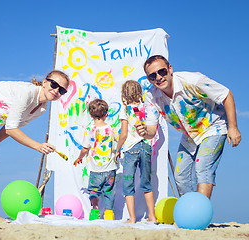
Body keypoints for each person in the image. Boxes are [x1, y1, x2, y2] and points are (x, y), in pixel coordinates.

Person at [0, 70, 70, 221]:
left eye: (61, 90)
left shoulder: (41, 109)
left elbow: (8, 128)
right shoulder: (27, 94)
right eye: (54, 84)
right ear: (44, 82)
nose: (56, 90)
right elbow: (11, 129)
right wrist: (38, 146)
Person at [136, 55, 241, 199]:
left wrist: (233, 127)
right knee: (180, 176)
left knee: (203, 168)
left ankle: (198, 217)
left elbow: (226, 94)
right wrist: (144, 132)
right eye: (153, 76)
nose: (159, 77)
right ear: (149, 79)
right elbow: (151, 131)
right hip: (190, 133)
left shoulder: (193, 81)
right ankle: (189, 213)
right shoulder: (151, 97)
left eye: (162, 71)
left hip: (213, 126)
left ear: (170, 69)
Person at [115, 80, 157, 223]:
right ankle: (152, 216)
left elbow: (124, 134)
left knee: (128, 184)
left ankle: (132, 218)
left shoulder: (125, 109)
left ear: (124, 93)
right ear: (139, 91)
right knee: (146, 183)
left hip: (130, 149)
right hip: (146, 147)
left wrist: (117, 150)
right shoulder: (146, 107)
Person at [73, 99, 118, 218]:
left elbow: (85, 148)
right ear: (106, 113)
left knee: (93, 191)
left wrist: (79, 157)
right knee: (109, 192)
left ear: (90, 114)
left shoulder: (89, 129)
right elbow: (120, 141)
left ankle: (95, 210)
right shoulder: (112, 128)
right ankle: (109, 213)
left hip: (95, 169)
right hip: (110, 169)